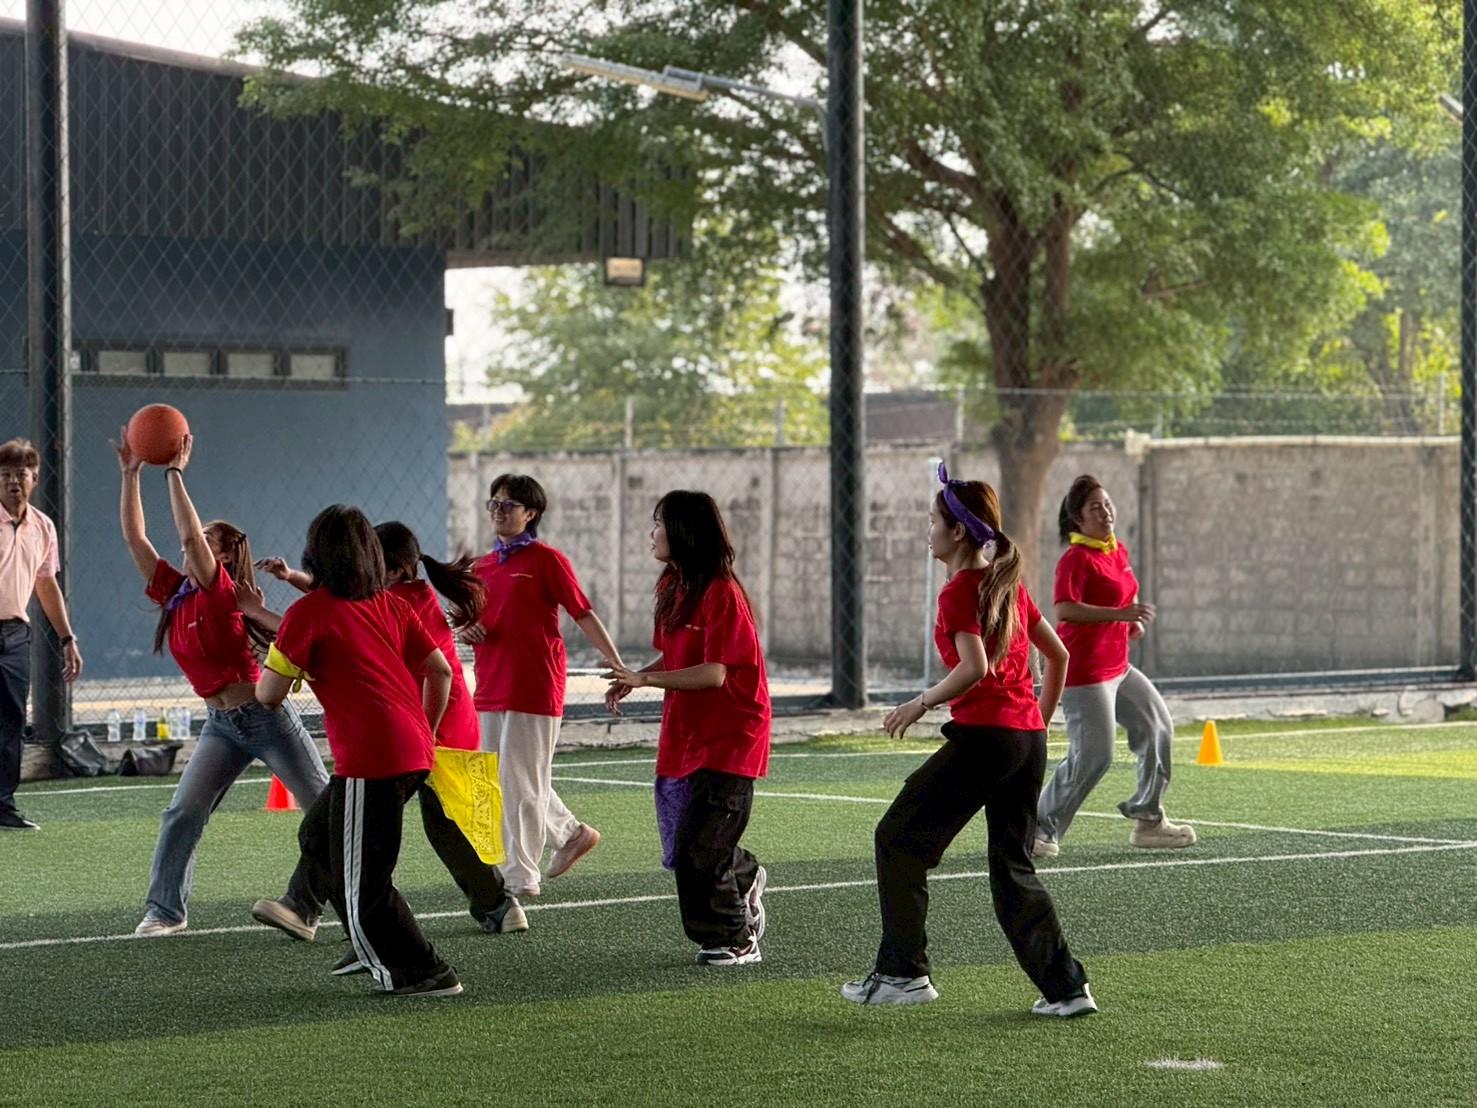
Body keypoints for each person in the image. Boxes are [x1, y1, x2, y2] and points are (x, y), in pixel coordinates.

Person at [840, 465, 1093, 1014]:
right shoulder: (1007, 586)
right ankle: (1067, 989)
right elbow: (1058, 656)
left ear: (957, 531)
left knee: (898, 839)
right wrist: (1035, 722)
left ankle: (903, 973)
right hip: (1024, 741)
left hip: (987, 739)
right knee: (1013, 869)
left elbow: (974, 667)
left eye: (933, 521)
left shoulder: (960, 591)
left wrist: (920, 702)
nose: (927, 530)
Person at [250, 521, 526, 953]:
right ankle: (498, 905)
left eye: (369, 558)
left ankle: (308, 908)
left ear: (394, 570)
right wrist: (293, 579)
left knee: (341, 829)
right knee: (441, 827)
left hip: (426, 728)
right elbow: (335, 609)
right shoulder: (404, 597)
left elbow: (325, 626)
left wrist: (256, 613)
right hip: (433, 725)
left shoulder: (396, 603)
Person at [114, 430, 328, 937]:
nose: (191, 543)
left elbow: (188, 537)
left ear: (225, 558)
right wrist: (130, 476)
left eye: (208, 541)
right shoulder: (176, 593)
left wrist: (174, 472)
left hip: (266, 718)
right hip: (220, 726)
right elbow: (136, 539)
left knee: (325, 811)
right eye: (199, 538)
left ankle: (360, 898)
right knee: (182, 813)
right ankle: (166, 911)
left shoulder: (219, 590)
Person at [255, 504, 461, 998]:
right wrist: (426, 730)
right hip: (412, 748)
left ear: (315, 554)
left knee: (365, 883)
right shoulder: (392, 605)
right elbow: (441, 672)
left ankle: (422, 971)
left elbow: (268, 694)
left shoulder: (309, 613)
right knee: (318, 835)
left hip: (373, 758)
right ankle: (362, 940)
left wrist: (270, 652)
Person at [605, 490, 770, 967]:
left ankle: (735, 939)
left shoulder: (722, 593)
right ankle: (744, 874)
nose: (652, 533)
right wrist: (637, 678)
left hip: (732, 734)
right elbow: (677, 658)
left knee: (700, 846)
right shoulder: (672, 587)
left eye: (659, 524)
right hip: (688, 732)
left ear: (684, 532)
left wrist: (645, 680)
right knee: (691, 841)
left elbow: (714, 674)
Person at [463, 474, 621, 898]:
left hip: (533, 684)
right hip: (491, 684)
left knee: (521, 782)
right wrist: (467, 630)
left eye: (509, 504)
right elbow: (467, 620)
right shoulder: (480, 568)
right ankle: (570, 833)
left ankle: (520, 875)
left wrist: (615, 661)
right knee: (504, 779)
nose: (499, 510)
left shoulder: (547, 560)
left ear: (531, 513)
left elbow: (582, 612)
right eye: (494, 503)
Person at [1034, 474, 1195, 856]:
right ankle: (1039, 828)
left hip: (1118, 668)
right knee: (1094, 756)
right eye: (1095, 507)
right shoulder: (1075, 559)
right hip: (1084, 673)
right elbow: (1065, 609)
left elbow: (1127, 592)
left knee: (1158, 728)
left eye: (1107, 504)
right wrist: (1120, 614)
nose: (1106, 512)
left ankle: (1149, 820)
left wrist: (1132, 620)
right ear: (1078, 519)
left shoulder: (1116, 550)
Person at [1, 438, 82, 831]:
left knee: (11, 720)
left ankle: (3, 805)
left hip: (15, 634)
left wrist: (67, 638)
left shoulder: (43, 527)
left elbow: (46, 584)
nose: (13, 481)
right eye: (4, 474)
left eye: (21, 474)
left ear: (34, 479)